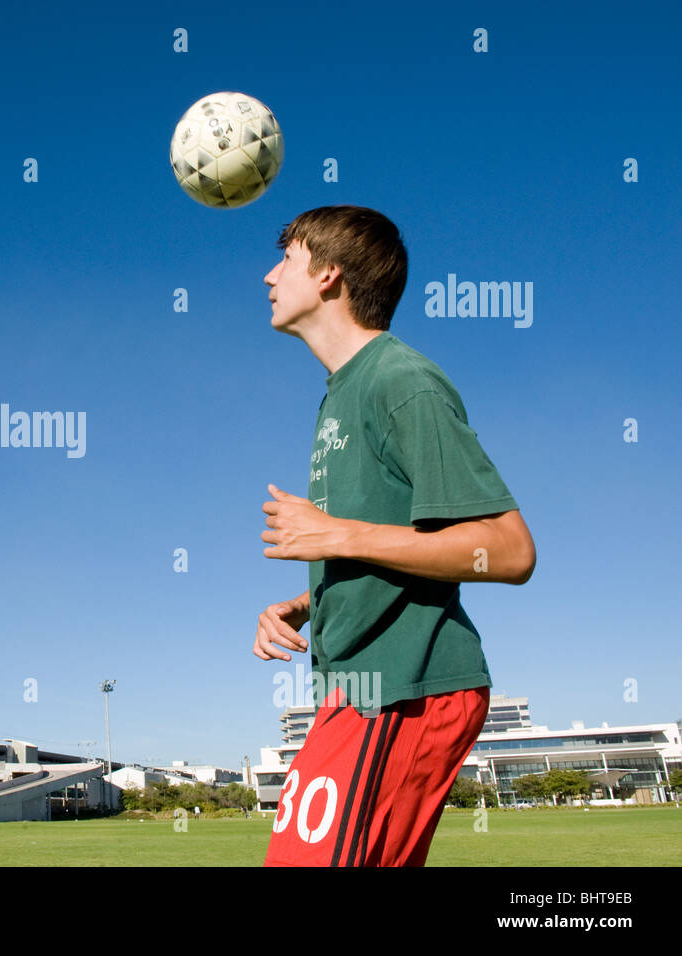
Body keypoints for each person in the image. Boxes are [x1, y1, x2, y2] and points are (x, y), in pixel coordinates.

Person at [254, 206, 535, 866]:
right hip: (354, 692)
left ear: (328, 275)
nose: (268, 276)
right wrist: (310, 599)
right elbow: (396, 541)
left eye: (286, 259)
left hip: (404, 688)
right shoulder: (341, 392)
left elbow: (510, 548)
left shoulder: (399, 381)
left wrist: (338, 535)